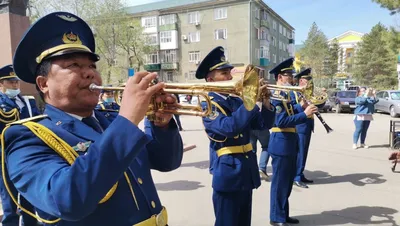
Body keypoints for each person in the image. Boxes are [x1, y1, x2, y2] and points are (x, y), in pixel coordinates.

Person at [3, 11, 183, 226]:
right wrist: (127, 120)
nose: (89, 73)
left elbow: (167, 162)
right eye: (73, 66)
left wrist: (161, 124)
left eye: (92, 66)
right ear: (43, 84)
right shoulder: (27, 137)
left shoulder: (111, 120)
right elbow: (68, 201)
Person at [196, 46, 276, 226]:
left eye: (229, 72)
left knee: (243, 222)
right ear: (210, 79)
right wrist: (250, 103)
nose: (230, 77)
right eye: (224, 73)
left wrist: (266, 102)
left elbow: (263, 125)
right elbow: (228, 128)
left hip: (246, 169)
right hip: (228, 172)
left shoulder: (237, 100)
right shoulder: (208, 104)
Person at [268, 58, 318, 226]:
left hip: (289, 141)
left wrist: (301, 106)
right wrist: (305, 114)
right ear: (279, 77)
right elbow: (281, 121)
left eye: (290, 74)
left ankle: (283, 213)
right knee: (280, 183)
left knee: (287, 183)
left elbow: (289, 113)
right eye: (287, 74)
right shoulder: (277, 94)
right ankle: (276, 217)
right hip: (281, 142)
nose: (291, 77)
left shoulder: (287, 94)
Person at [0, 65, 42, 226]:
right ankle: (10, 222)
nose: (15, 85)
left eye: (16, 82)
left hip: (28, 152)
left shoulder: (28, 101)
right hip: (6, 153)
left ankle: (30, 221)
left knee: (28, 188)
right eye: (10, 82)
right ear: (1, 84)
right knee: (8, 192)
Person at [290, 68, 325, 188]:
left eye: (310, 80)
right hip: (300, 126)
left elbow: (319, 104)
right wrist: (302, 105)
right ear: (301, 81)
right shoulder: (296, 92)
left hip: (308, 125)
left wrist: (322, 98)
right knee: (299, 152)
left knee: (304, 152)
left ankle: (300, 173)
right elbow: (292, 108)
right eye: (307, 80)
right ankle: (296, 176)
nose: (310, 82)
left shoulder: (309, 93)